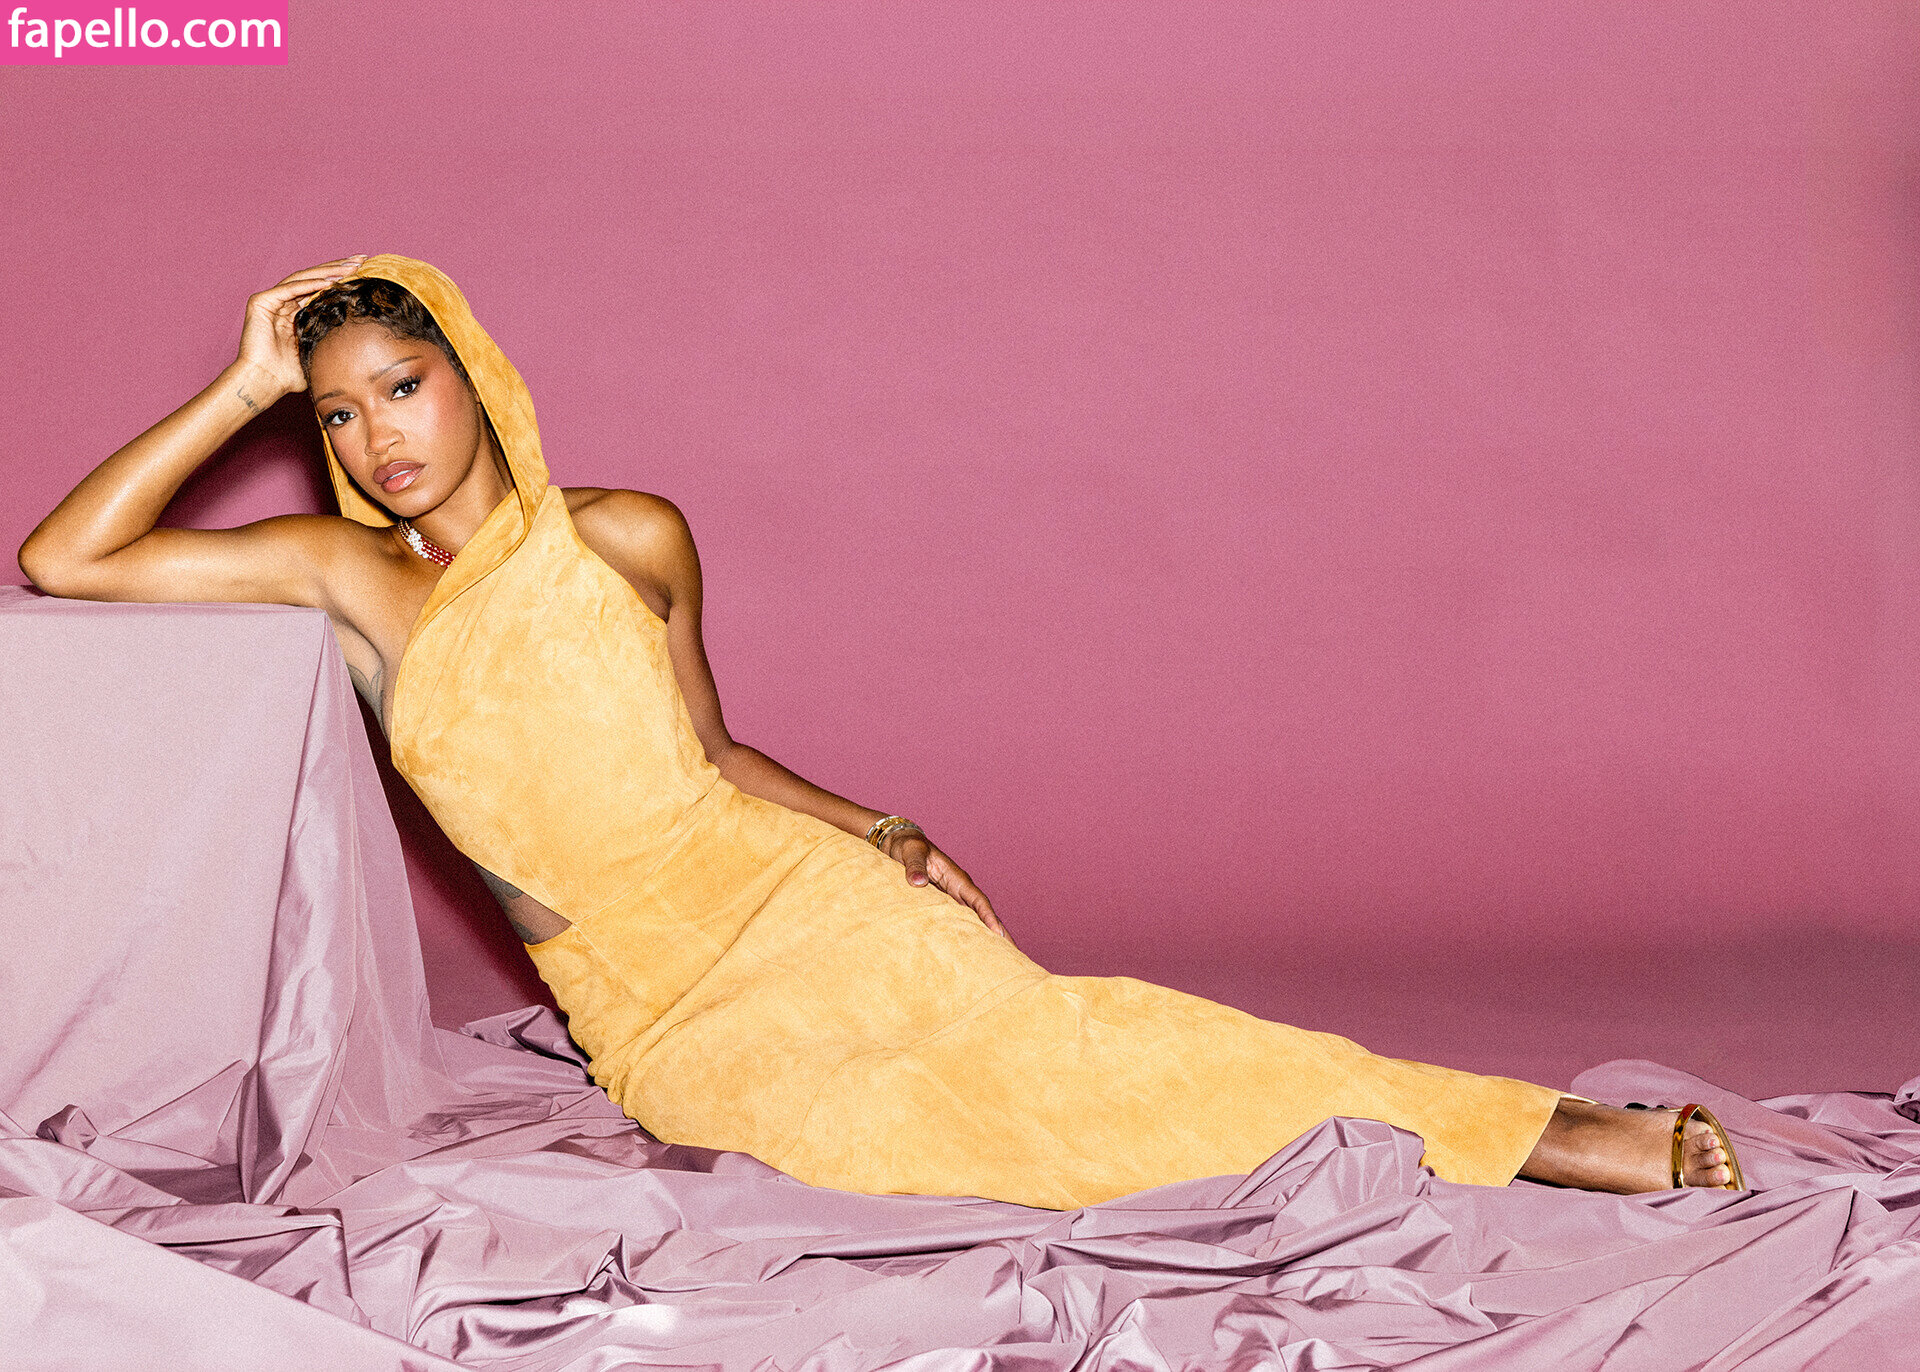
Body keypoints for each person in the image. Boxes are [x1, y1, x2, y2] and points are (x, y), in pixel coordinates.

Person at [19, 254, 1745, 1208]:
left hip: (793, 894)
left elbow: (710, 758)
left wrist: (881, 831)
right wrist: (246, 382)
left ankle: (1530, 1135)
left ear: (473, 371)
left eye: (404, 384)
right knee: (883, 1137)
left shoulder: (629, 534)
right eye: (339, 413)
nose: (382, 434)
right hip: (656, 998)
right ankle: (1477, 1146)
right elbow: (65, 556)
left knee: (1075, 1039)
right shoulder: (347, 575)